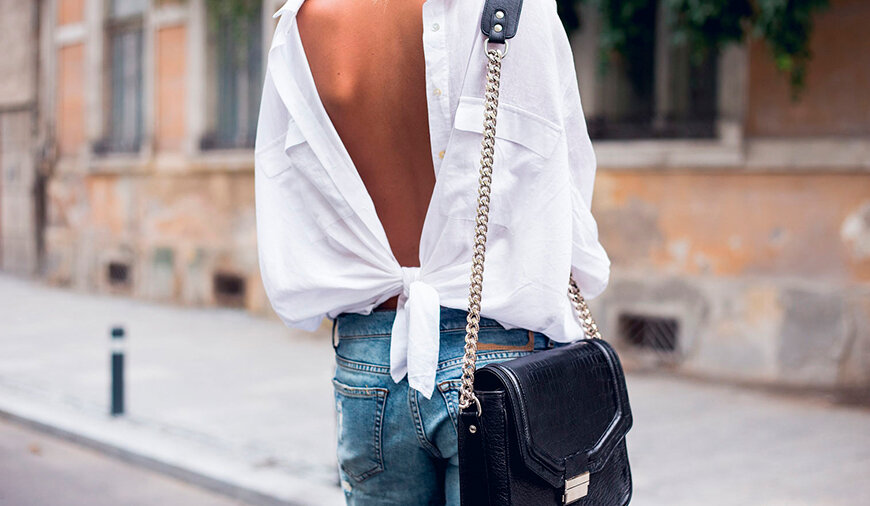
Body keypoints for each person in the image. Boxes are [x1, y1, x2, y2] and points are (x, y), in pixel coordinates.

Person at [254, 0, 610, 503]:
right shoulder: (516, 8)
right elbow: (564, 183)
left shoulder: (306, 19)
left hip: (371, 354)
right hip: (499, 349)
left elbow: (290, 193)